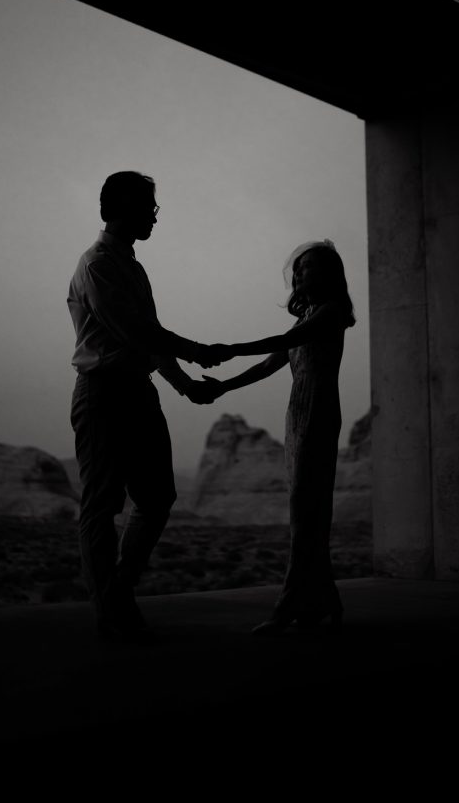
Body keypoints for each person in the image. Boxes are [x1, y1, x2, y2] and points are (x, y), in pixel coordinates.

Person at [67, 171, 220, 643]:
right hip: (103, 393)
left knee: (156, 497)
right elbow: (136, 333)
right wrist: (197, 351)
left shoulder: (130, 265)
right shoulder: (99, 264)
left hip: (136, 390)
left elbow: (147, 340)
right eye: (148, 206)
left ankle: (118, 591)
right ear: (120, 207)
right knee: (103, 503)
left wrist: (183, 384)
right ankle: (111, 607)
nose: (154, 215)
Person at [200, 240, 356, 636]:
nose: (298, 274)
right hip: (298, 416)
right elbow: (271, 364)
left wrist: (230, 349)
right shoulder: (308, 317)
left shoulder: (331, 313)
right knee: (307, 515)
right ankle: (326, 601)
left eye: (307, 267)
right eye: (298, 268)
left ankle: (288, 605)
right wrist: (224, 387)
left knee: (307, 517)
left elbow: (278, 345)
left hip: (318, 414)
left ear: (328, 273)